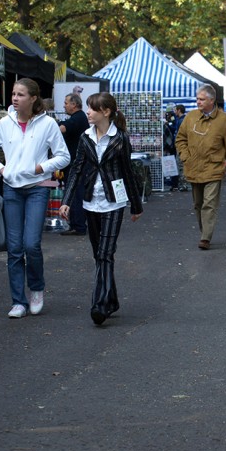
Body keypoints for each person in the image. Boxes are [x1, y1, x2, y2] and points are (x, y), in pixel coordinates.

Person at [0, 78, 70, 319]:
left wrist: (41, 168)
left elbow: (63, 156)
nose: (15, 98)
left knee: (31, 244)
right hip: (12, 189)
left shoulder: (47, 124)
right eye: (13, 94)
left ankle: (37, 289)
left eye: (20, 94)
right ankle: (18, 301)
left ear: (33, 98)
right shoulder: (5, 123)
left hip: (38, 188)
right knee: (15, 248)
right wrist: (0, 168)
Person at [58, 92, 143, 325]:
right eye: (88, 108)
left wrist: (136, 205)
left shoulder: (120, 138)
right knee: (99, 254)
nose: (88, 112)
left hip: (114, 201)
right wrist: (66, 201)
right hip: (89, 201)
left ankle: (100, 305)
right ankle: (111, 299)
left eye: (93, 109)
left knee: (106, 253)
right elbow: (76, 169)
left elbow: (128, 170)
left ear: (106, 112)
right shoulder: (85, 137)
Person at [175, 84, 226, 250]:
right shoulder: (190, 117)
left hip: (214, 168)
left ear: (212, 100)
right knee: (198, 204)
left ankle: (205, 238)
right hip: (193, 167)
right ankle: (205, 232)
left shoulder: (224, 120)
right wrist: (185, 156)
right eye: (197, 99)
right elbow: (180, 139)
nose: (198, 102)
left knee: (209, 204)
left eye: (201, 99)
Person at [58, 93, 90, 235]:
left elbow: (62, 129)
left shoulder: (78, 118)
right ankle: (76, 224)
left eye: (66, 102)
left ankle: (78, 225)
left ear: (74, 104)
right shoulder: (77, 118)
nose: (64, 105)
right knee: (74, 193)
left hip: (76, 164)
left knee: (75, 194)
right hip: (74, 162)